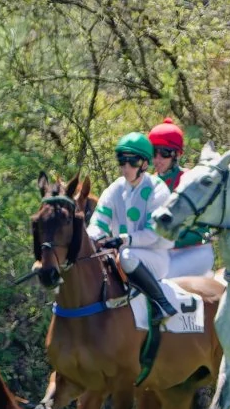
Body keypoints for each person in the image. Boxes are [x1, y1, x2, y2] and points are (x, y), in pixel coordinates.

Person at [87, 132, 179, 324]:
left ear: (145, 164)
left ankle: (161, 303)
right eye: (122, 161)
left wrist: (122, 239)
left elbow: (152, 235)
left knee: (127, 255)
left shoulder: (158, 190)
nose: (126, 167)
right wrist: (88, 242)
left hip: (154, 257)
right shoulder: (114, 189)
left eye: (132, 162)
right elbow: (98, 223)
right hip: (121, 255)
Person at [148, 118, 214, 278]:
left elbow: (203, 230)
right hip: (165, 253)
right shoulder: (148, 184)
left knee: (159, 276)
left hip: (195, 252)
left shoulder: (190, 181)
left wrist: (163, 242)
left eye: (163, 153)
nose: (157, 159)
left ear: (176, 154)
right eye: (153, 152)